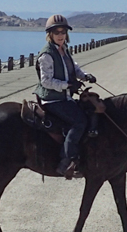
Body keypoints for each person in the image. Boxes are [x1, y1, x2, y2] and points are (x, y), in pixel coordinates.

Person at [33, 14, 98, 178]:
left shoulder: (64, 50)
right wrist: (68, 85)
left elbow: (72, 68)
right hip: (52, 98)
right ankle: (66, 161)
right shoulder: (47, 55)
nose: (60, 35)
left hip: (64, 96)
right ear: (50, 34)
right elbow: (46, 81)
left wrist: (85, 76)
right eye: (57, 32)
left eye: (63, 32)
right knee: (79, 121)